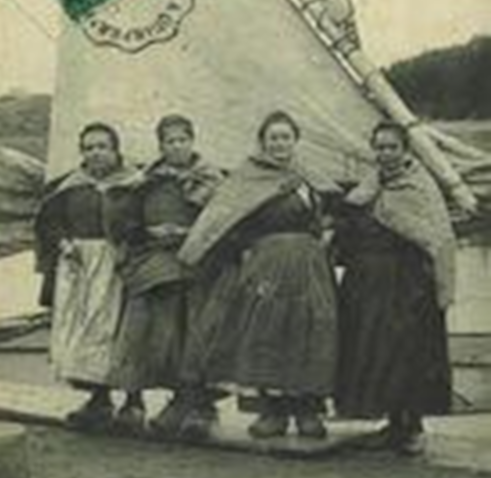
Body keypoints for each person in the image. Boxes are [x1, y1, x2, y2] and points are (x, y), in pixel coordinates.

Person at [179, 110, 340, 439]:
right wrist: (249, 251)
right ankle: (272, 413)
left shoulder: (310, 176)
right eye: (273, 138)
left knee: (312, 329)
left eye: (285, 137)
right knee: (267, 333)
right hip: (268, 264)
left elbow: (328, 214)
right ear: (262, 143)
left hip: (309, 265)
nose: (279, 144)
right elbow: (227, 222)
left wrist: (327, 231)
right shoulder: (247, 177)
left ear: (295, 141)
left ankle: (308, 412)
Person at [334, 121, 455, 455]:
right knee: (376, 350)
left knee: (410, 351)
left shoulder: (419, 186)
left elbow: (436, 237)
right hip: (369, 283)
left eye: (392, 147)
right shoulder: (368, 186)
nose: (386, 154)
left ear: (406, 151)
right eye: (380, 147)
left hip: (409, 283)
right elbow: (352, 224)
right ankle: (392, 423)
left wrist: (437, 283)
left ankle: (413, 426)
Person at [106, 115, 224, 436]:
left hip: (195, 263)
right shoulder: (147, 181)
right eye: (169, 141)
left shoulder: (210, 179)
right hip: (152, 261)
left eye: (182, 139)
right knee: (140, 331)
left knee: (191, 334)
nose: (176, 146)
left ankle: (193, 404)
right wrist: (146, 231)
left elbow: (222, 221)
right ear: (160, 146)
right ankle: (133, 401)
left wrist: (187, 232)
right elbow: (127, 220)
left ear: (192, 140)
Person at [35, 122, 136, 429]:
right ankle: (99, 398)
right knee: (85, 331)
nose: (96, 153)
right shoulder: (69, 186)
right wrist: (64, 243)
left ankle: (134, 401)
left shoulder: (132, 183)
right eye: (89, 147)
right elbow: (49, 222)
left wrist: (128, 246)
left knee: (120, 329)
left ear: (116, 149)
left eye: (102, 146)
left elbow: (139, 220)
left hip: (119, 265)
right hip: (78, 267)